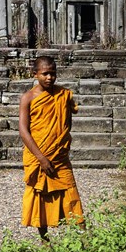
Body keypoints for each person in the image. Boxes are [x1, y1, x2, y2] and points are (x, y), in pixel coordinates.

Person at [19, 56, 84, 241]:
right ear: (35, 74)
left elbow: (66, 124)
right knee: (40, 196)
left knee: (72, 194)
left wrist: (58, 144)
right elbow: (23, 131)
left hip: (59, 157)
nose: (49, 78)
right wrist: (41, 157)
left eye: (53, 73)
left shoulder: (64, 95)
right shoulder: (28, 98)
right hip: (38, 156)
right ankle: (45, 241)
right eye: (45, 73)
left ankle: (85, 242)